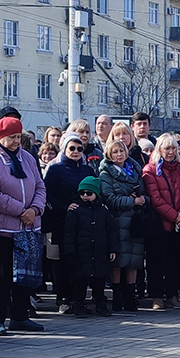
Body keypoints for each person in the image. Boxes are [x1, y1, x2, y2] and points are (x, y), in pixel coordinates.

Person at [0, 116, 46, 336]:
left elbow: (39, 186)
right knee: (1, 274)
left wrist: (34, 210)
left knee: (24, 273)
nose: (17, 141)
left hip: (28, 225)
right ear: (0, 137)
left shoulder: (27, 157)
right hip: (3, 226)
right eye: (12, 137)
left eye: (19, 137)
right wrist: (21, 211)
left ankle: (20, 316)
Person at [43, 134, 96, 312]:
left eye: (79, 149)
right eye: (72, 148)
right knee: (61, 260)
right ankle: (62, 297)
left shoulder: (87, 170)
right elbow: (48, 194)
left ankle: (77, 297)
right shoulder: (55, 169)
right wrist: (65, 207)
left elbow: (94, 191)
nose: (75, 152)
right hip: (61, 220)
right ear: (64, 149)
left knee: (79, 259)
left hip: (82, 222)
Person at [143, 133, 180, 310]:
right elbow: (155, 199)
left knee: (175, 262)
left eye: (172, 148)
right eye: (166, 148)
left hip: (178, 225)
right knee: (156, 263)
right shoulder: (150, 170)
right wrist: (175, 215)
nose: (170, 152)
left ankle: (172, 295)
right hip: (159, 224)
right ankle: (156, 297)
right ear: (159, 150)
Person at [99, 139, 147, 312]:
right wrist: (131, 201)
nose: (119, 155)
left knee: (133, 259)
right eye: (115, 152)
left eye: (122, 151)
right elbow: (108, 198)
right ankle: (117, 295)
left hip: (135, 221)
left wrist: (142, 200)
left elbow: (145, 193)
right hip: (117, 220)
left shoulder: (135, 170)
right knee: (118, 259)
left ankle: (130, 295)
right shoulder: (106, 173)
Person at [62, 176, 117, 317]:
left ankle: (101, 304)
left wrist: (112, 249)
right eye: (82, 193)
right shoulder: (75, 211)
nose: (85, 196)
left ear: (96, 194)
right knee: (80, 281)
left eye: (89, 193)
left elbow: (111, 231)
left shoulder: (103, 211)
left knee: (99, 280)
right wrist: (70, 252)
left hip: (99, 251)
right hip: (81, 252)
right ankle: (79, 305)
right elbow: (69, 234)